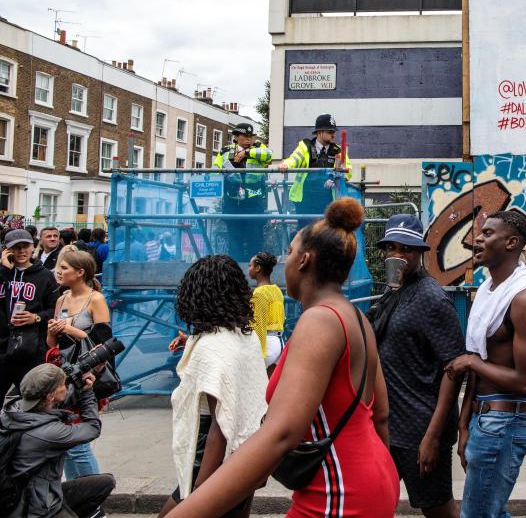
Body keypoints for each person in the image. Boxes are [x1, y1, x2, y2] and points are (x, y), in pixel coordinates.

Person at [165, 199, 399, 518]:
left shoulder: (320, 321)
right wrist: (381, 481)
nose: (284, 260)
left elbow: (281, 434)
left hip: (339, 490)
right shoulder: (356, 318)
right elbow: (380, 415)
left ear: (304, 260)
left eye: (289, 252)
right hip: (371, 476)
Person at [443, 210, 526, 518]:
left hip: (507, 421)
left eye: (488, 234)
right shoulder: (488, 290)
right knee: (490, 512)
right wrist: (464, 424)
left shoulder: (524, 298)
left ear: (512, 242)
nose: (477, 240)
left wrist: (471, 363)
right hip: (483, 418)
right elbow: (479, 355)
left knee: (478, 513)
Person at [158, 255, 270, 518]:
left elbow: (221, 426)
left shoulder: (211, 347)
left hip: (209, 461)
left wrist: (200, 492)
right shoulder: (245, 334)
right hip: (246, 454)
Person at [371, 214, 465, 518]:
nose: (397, 255)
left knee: (437, 509)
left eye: (406, 249)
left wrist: (433, 438)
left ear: (420, 253)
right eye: (392, 248)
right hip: (389, 427)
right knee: (373, 502)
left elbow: (453, 370)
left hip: (419, 429)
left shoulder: (432, 299)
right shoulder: (393, 290)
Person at [0, 363, 115, 518]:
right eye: (63, 384)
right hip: (38, 507)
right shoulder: (48, 434)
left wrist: (89, 375)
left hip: (28, 493)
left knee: (105, 483)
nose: (66, 387)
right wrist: (87, 392)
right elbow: (92, 428)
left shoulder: (15, 409)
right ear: (50, 396)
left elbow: (59, 402)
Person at [45, 247, 111, 481]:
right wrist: (53, 332)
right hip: (61, 375)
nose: (59, 272)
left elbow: (104, 344)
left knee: (76, 440)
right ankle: (78, 496)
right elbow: (52, 343)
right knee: (67, 443)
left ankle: (92, 497)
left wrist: (71, 329)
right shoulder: (61, 298)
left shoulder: (96, 299)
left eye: (64, 268)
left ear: (80, 272)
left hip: (84, 377)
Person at [0, 229, 60, 398]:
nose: (21, 251)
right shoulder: (2, 273)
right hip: (2, 345)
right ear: (7, 250)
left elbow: (55, 309)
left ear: (33, 247)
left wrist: (36, 317)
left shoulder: (45, 276)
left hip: (30, 347)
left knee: (33, 397)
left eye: (25, 246)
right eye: (15, 247)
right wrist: (4, 270)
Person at [278, 114, 353, 231]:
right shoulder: (305, 146)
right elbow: (295, 158)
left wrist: (335, 179)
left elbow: (347, 170)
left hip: (327, 200)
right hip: (305, 199)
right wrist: (286, 164)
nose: (333, 134)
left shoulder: (338, 150)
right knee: (305, 231)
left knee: (325, 232)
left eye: (333, 131)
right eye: (329, 131)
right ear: (319, 132)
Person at [213, 123, 274, 262]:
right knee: (235, 240)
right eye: (245, 136)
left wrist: (246, 152)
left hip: (254, 202)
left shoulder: (259, 149)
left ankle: (255, 272)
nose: (249, 140)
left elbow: (269, 155)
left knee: (255, 239)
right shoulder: (225, 152)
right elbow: (215, 170)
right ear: (236, 137)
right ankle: (236, 272)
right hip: (233, 202)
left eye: (251, 137)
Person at [248, 251, 285, 374]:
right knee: (269, 388)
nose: (249, 269)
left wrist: (256, 352)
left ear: (258, 268)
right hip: (279, 342)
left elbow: (258, 325)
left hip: (266, 344)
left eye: (250, 266)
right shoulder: (277, 291)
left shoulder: (259, 293)